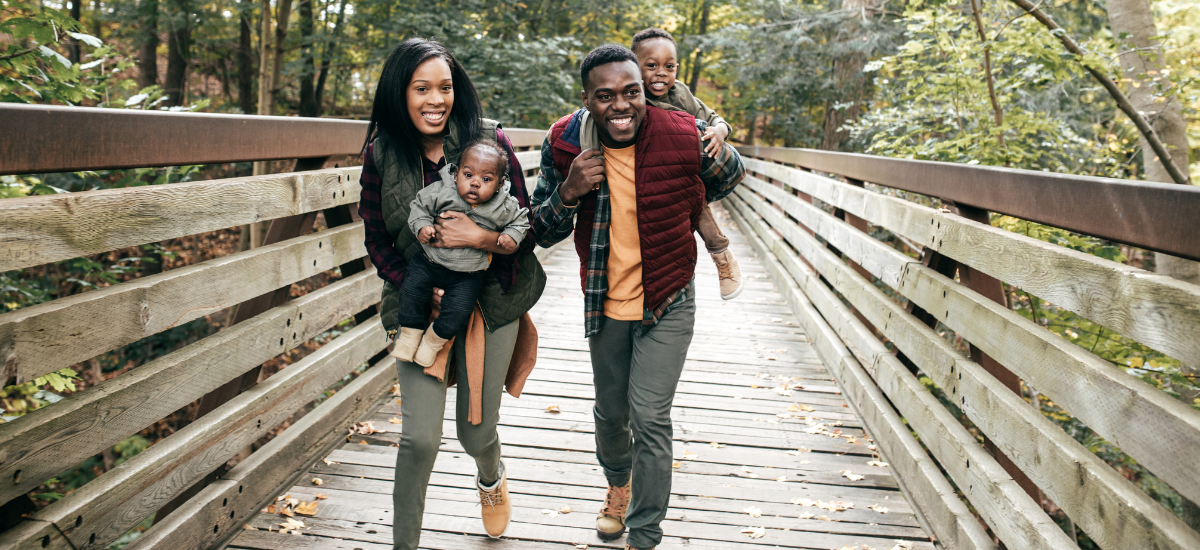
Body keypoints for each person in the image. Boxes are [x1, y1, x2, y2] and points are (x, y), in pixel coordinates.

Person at [530, 44, 745, 550]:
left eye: (631, 92)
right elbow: (539, 229)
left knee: (650, 415)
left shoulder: (678, 130)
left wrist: (716, 139)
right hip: (604, 301)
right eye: (606, 97)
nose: (621, 105)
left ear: (643, 90)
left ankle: (644, 535)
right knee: (611, 414)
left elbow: (730, 177)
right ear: (586, 99)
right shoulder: (564, 142)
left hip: (669, 297)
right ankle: (618, 488)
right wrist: (568, 192)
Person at [358, 38, 546, 550]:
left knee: (473, 434)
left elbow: (525, 228)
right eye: (421, 88)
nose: (435, 99)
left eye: (445, 87)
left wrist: (480, 239)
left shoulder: (488, 142)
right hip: (419, 305)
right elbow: (376, 237)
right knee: (419, 439)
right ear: (401, 94)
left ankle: (491, 474)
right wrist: (414, 285)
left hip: (492, 300)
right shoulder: (382, 152)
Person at [393, 139, 530, 366]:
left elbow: (521, 221)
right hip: (429, 261)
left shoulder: (503, 205)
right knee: (411, 293)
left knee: (458, 311)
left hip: (468, 274)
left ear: (499, 184)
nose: (475, 183)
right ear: (456, 174)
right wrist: (422, 226)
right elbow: (419, 206)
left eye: (486, 179)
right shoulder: (441, 191)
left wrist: (510, 236)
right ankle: (409, 337)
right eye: (468, 175)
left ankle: (431, 343)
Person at [631, 27, 743, 300]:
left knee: (691, 193)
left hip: (682, 170)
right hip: (645, 175)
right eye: (651, 65)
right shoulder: (632, 96)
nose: (661, 73)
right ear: (634, 67)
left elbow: (716, 119)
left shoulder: (680, 93)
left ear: (677, 69)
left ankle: (721, 254)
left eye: (669, 67)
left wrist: (720, 131)